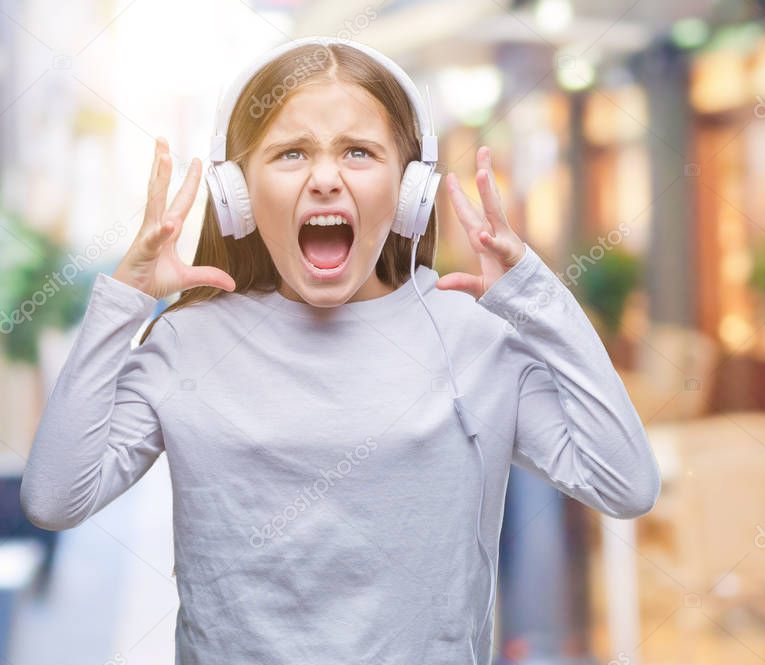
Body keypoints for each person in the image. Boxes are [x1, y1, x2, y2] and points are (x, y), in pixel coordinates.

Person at [20, 37, 661, 665]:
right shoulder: (188, 341)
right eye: (291, 154)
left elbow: (624, 483)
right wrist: (123, 301)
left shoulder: (472, 335)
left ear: (409, 190)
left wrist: (535, 298)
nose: (325, 179)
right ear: (236, 195)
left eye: (358, 152)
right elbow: (53, 499)